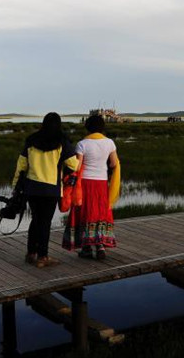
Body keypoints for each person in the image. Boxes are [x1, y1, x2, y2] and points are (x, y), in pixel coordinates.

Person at [11, 113, 79, 268]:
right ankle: (43, 257)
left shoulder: (32, 140)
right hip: (51, 189)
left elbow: (21, 165)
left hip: (32, 187)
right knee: (45, 223)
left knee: (36, 219)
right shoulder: (62, 140)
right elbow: (74, 165)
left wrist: (16, 186)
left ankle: (31, 253)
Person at [63, 114, 121, 260]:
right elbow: (114, 163)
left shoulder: (82, 144)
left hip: (85, 182)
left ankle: (87, 247)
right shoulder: (109, 143)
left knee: (84, 211)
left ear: (87, 127)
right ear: (102, 127)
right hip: (101, 182)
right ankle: (100, 245)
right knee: (100, 211)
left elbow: (77, 166)